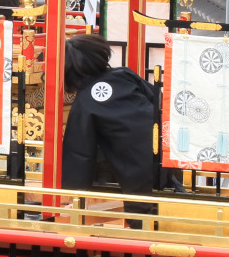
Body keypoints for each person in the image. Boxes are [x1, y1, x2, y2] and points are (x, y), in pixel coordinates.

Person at [60, 32, 158, 197]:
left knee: (143, 212)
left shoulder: (85, 102)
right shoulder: (124, 74)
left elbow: (79, 152)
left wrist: (73, 193)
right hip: (161, 154)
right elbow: (156, 100)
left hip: (134, 170)